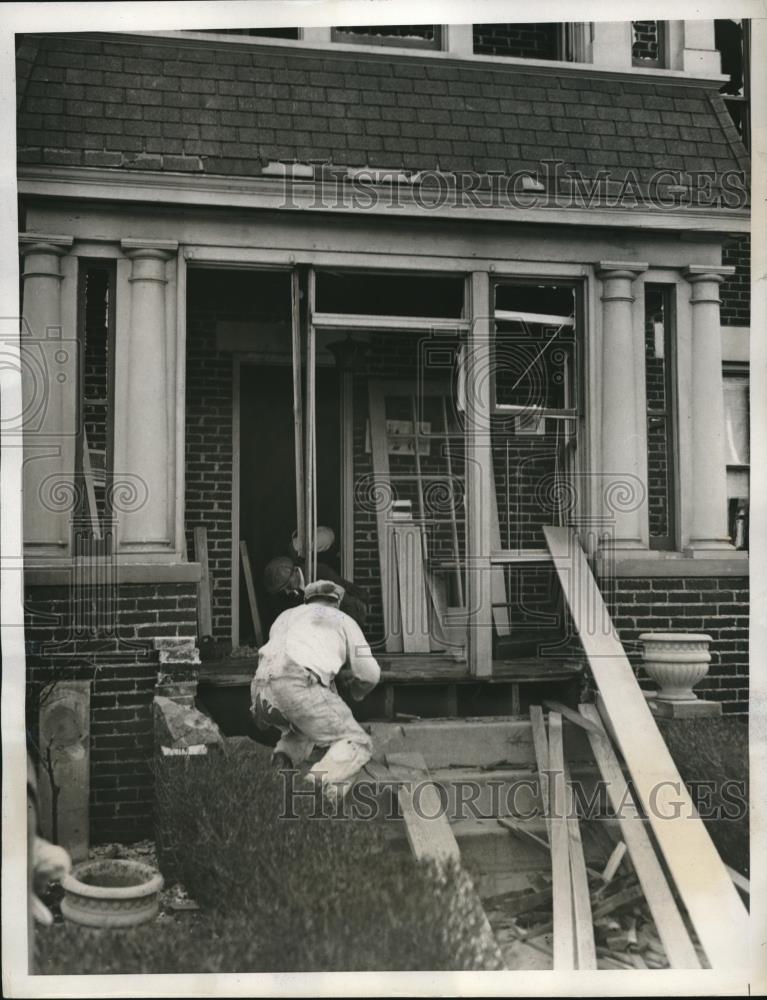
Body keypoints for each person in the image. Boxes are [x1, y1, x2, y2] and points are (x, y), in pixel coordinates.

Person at [250, 580, 380, 801]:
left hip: (260, 690)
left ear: (306, 600)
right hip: (296, 681)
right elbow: (370, 673)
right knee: (358, 742)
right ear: (336, 602)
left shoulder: (286, 616)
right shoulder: (341, 619)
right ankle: (316, 789)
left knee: (305, 731)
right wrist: (357, 690)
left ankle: (280, 765)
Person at [263, 525, 369, 627]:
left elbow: (348, 606)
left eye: (288, 586)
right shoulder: (296, 591)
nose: (287, 592)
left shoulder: (321, 574)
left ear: (295, 571)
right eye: (284, 589)